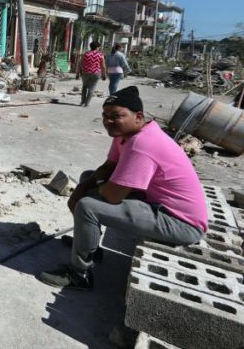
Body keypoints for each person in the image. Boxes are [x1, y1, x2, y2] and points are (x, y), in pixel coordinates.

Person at [39, 86, 207, 290]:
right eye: (105, 115)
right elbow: (108, 166)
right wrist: (82, 186)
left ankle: (79, 274)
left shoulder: (143, 144)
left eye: (116, 116)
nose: (108, 121)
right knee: (87, 179)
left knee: (88, 207)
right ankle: (89, 246)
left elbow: (112, 196)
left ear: (138, 117)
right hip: (158, 203)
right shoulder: (125, 134)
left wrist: (86, 193)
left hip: (181, 223)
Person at [76, 41, 107, 107]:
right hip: (96, 73)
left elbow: (79, 64)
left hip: (85, 72)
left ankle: (82, 102)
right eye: (99, 47)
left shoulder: (85, 54)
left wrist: (77, 73)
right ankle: (87, 103)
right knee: (92, 88)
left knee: (84, 87)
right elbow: (103, 66)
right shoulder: (100, 55)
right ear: (97, 47)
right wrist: (104, 75)